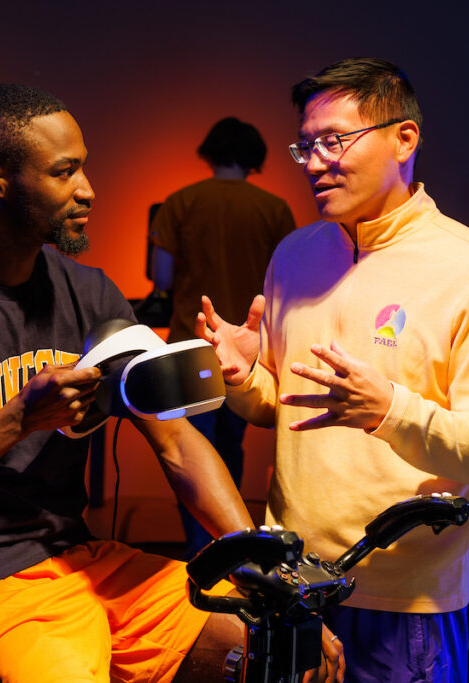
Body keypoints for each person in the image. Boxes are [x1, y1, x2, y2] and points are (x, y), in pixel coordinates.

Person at [0, 84, 346, 683]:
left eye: (83, 167)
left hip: (81, 561)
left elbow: (176, 443)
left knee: (292, 650)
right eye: (64, 173)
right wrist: (15, 422)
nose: (88, 189)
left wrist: (251, 556)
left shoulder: (92, 295)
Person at [197, 58, 469, 682]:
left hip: (404, 600)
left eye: (335, 141)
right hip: (291, 583)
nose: (315, 162)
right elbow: (280, 405)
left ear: (404, 139)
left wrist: (390, 411)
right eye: (306, 146)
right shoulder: (295, 254)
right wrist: (242, 380)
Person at [149, 117, 296, 559]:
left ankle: (201, 555)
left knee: (190, 452)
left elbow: (161, 277)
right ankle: (232, 553)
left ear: (210, 152)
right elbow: (287, 282)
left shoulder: (180, 202)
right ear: (254, 157)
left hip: (189, 347)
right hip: (247, 355)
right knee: (231, 450)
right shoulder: (274, 209)